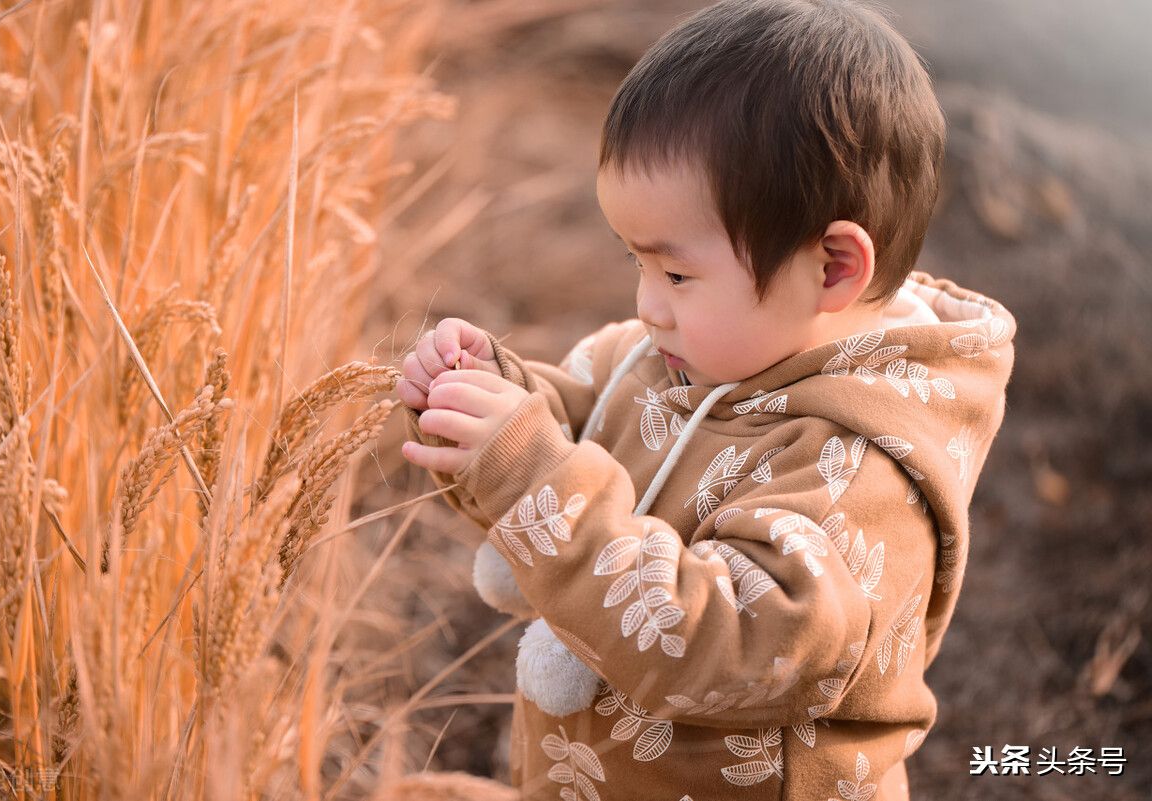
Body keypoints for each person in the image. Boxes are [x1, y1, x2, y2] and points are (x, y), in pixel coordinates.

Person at [395, 0, 1016, 798]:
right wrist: (484, 402)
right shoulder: (666, 354)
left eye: (677, 273)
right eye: (637, 262)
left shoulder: (857, 473)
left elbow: (722, 645)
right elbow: (565, 438)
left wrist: (529, 471)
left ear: (831, 267)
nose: (649, 304)